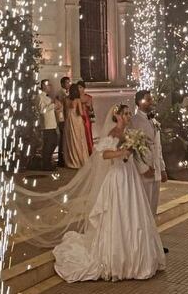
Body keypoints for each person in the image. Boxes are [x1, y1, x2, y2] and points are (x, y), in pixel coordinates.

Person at [53, 104, 166, 282]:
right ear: (118, 116)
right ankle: (117, 259)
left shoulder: (129, 133)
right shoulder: (113, 133)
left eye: (129, 113)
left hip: (130, 177)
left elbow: (133, 157)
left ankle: (135, 256)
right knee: (118, 214)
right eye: (126, 114)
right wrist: (122, 152)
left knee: (133, 214)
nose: (129, 116)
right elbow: (104, 155)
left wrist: (140, 164)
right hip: (118, 177)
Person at [130, 90, 168, 215]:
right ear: (140, 102)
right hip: (145, 169)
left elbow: (158, 146)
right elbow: (134, 148)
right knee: (143, 205)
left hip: (156, 166)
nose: (151, 102)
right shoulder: (134, 121)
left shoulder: (154, 121)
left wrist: (162, 168)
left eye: (151, 99)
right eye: (148, 100)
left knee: (153, 205)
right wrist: (143, 168)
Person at [63, 84, 89, 169]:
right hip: (77, 121)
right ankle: (79, 160)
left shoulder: (66, 99)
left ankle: (71, 160)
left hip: (68, 120)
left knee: (70, 140)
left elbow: (65, 112)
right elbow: (80, 113)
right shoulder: (77, 100)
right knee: (78, 140)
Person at [36, 79, 59, 171]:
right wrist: (53, 105)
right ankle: (46, 164)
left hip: (52, 123)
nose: (50, 87)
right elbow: (42, 110)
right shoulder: (40, 97)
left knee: (54, 143)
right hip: (46, 124)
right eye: (48, 85)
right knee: (48, 144)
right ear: (44, 86)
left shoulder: (48, 97)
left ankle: (48, 161)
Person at [56, 76, 71, 167]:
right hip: (62, 118)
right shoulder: (61, 93)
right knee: (62, 139)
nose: (68, 84)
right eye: (66, 82)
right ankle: (61, 159)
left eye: (69, 82)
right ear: (62, 84)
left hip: (65, 117)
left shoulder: (66, 92)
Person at [77, 80, 94, 155]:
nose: (79, 89)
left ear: (84, 88)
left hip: (86, 117)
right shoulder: (75, 98)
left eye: (80, 87)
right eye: (78, 88)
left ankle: (89, 150)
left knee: (87, 132)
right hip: (77, 117)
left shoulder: (88, 97)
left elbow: (91, 109)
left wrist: (88, 106)